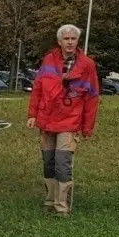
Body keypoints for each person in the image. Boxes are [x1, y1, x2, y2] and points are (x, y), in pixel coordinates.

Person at [27, 23, 100, 217]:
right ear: (59, 42)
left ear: (77, 41)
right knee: (48, 162)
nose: (69, 42)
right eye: (66, 39)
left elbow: (92, 98)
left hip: (70, 120)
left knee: (62, 162)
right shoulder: (49, 60)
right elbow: (38, 89)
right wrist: (32, 115)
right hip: (47, 119)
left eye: (73, 39)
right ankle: (50, 201)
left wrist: (87, 128)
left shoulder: (87, 65)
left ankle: (62, 207)